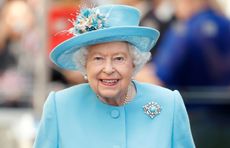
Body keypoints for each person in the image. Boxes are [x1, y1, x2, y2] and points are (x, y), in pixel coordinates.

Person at [33, 4, 195, 148]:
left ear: (134, 62)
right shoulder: (60, 106)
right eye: (98, 59)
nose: (108, 69)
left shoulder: (168, 104)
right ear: (84, 63)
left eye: (119, 58)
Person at [147, 0, 230, 89]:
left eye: (175, 4)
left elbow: (159, 78)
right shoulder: (226, 24)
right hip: (224, 100)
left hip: (189, 101)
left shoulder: (183, 30)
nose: (175, 11)